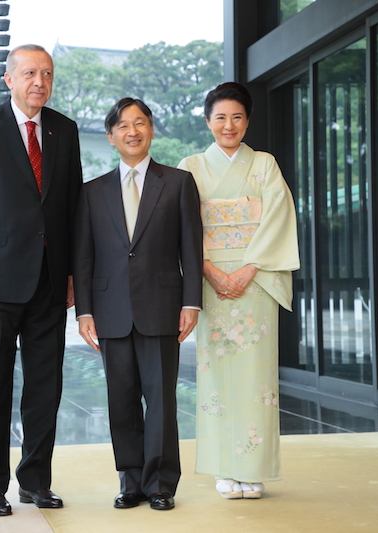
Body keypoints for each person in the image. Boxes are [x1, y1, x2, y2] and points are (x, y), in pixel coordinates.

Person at [0, 44, 83, 516]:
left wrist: (73, 276)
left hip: (49, 282)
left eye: (46, 74)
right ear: (9, 79)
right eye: (29, 73)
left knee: (46, 387)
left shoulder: (65, 130)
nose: (39, 82)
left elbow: (72, 211)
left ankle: (36, 481)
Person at [73, 98, 203, 511]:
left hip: (163, 307)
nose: (133, 131)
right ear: (111, 137)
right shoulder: (92, 192)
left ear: (151, 130)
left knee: (162, 400)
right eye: (123, 126)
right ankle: (130, 480)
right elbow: (84, 256)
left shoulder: (178, 183)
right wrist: (85, 311)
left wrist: (192, 302)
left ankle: (161, 483)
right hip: (110, 311)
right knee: (121, 400)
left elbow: (192, 248)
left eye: (141, 123)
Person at [177, 82, 299, 499]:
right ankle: (223, 467)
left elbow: (279, 218)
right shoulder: (190, 166)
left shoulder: (264, 164)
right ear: (208, 120)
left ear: (247, 120)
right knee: (215, 377)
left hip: (256, 280)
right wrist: (208, 270)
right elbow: (183, 227)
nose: (229, 125)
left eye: (237, 117)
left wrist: (249, 269)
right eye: (220, 117)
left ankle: (253, 466)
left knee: (256, 377)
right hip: (211, 282)